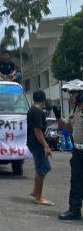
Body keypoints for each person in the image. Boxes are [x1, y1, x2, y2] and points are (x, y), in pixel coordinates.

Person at [55, 91, 83, 220]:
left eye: (73, 94)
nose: (71, 97)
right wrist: (58, 116)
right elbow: (67, 127)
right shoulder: (76, 112)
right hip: (78, 151)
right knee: (76, 182)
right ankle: (74, 210)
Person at [27, 90, 53, 206]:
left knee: (42, 167)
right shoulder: (38, 111)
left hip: (34, 143)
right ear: (44, 99)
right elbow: (38, 131)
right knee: (42, 169)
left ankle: (35, 191)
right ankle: (38, 197)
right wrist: (46, 146)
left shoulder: (32, 109)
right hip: (38, 144)